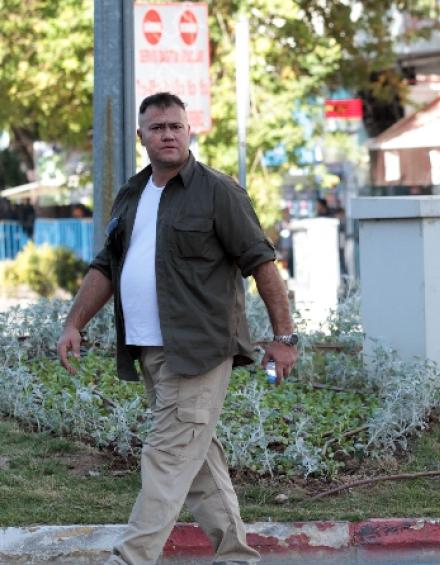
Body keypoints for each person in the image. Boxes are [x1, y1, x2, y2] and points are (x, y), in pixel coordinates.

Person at [56, 92, 298, 565]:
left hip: (200, 349)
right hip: (150, 348)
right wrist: (74, 323)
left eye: (177, 126)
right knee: (198, 460)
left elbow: (261, 263)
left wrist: (283, 337)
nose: (168, 134)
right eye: (158, 127)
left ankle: (130, 558)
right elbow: (106, 266)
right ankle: (237, 556)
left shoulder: (217, 191)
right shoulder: (132, 193)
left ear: (189, 132)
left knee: (166, 458)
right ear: (142, 136)